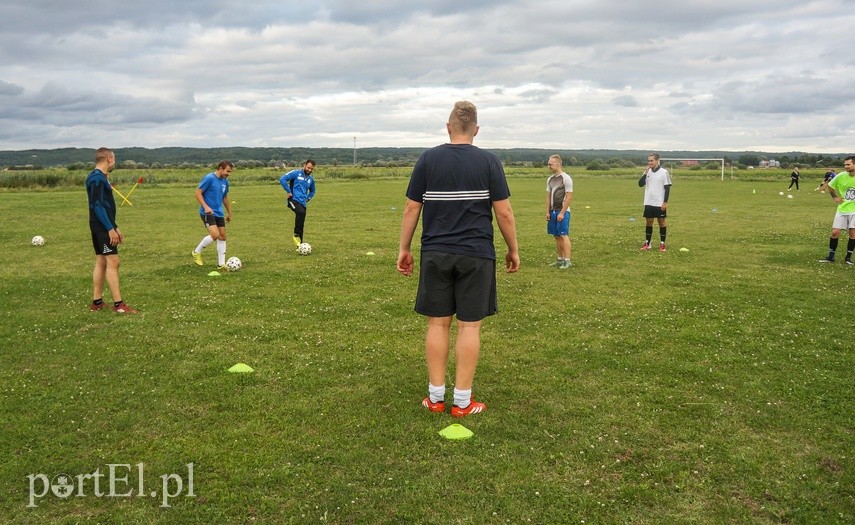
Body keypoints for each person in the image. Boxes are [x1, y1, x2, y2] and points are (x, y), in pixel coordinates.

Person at [397, 101, 520, 418]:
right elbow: (504, 212)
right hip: (476, 255)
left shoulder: (428, 159)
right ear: (476, 130)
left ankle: (435, 397)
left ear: (448, 127)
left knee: (438, 324)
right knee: (469, 327)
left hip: (435, 252)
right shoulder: (489, 161)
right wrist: (513, 249)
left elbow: (412, 208)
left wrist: (404, 248)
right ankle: (462, 402)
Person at [86, 147, 139, 313]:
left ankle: (97, 302)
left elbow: (105, 206)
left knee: (101, 261)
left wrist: (114, 226)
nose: (114, 162)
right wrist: (109, 228)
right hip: (102, 227)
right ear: (109, 158)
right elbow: (97, 205)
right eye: (114, 159)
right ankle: (119, 305)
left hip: (101, 225)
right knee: (113, 262)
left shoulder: (99, 177)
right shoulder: (96, 178)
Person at [191, 161, 234, 269]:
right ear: (220, 168)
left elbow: (224, 197)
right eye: (227, 171)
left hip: (219, 212)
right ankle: (196, 252)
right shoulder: (209, 178)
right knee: (215, 235)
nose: (229, 174)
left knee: (222, 237)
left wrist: (229, 212)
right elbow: (198, 193)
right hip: (207, 212)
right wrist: (206, 207)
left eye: (230, 172)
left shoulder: (225, 181)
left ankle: (221, 264)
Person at [819, 156, 855, 265]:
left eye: (848, 164)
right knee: (835, 233)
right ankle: (830, 257)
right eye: (845, 164)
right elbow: (830, 186)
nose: (846, 166)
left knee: (853, 234)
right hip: (842, 209)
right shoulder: (841, 176)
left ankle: (848, 258)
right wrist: (835, 197)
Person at [638, 153, 672, 252]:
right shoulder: (647, 172)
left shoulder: (664, 172)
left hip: (659, 202)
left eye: (652, 160)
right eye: (649, 161)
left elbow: (667, 188)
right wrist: (645, 173)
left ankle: (662, 244)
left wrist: (665, 202)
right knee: (649, 222)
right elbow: (640, 184)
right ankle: (647, 243)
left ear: (657, 160)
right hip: (648, 202)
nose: (650, 162)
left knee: (661, 222)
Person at [279, 160, 316, 248]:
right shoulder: (296, 173)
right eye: (308, 167)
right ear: (304, 165)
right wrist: (288, 191)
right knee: (300, 213)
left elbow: (313, 191)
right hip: (293, 200)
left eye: (311, 169)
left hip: (303, 203)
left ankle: (300, 245)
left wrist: (308, 198)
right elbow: (282, 179)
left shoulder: (310, 180)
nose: (310, 170)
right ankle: (296, 234)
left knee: (301, 222)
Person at [545, 154, 573, 269]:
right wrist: (547, 211)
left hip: (562, 211)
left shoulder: (566, 178)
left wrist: (562, 212)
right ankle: (560, 259)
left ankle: (567, 260)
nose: (549, 166)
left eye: (550, 164)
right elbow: (548, 196)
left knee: (563, 235)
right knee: (556, 236)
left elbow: (569, 197)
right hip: (553, 211)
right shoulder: (550, 179)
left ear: (557, 164)